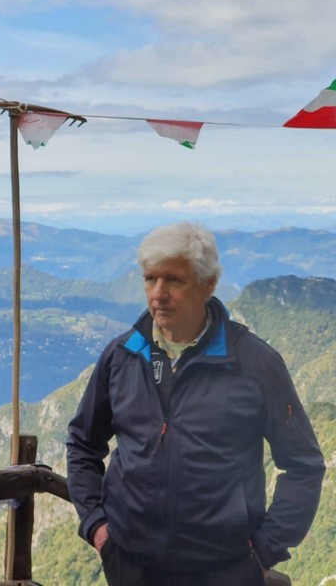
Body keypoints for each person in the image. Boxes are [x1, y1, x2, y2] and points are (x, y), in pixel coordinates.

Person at [65, 222, 325, 586]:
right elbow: (82, 443)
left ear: (209, 284)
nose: (157, 294)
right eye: (149, 278)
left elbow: (303, 465)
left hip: (223, 568)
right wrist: (97, 527)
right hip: (129, 563)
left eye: (174, 280)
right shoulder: (123, 355)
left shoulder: (254, 365)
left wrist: (263, 553)